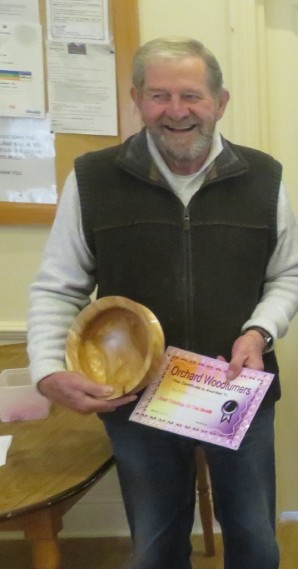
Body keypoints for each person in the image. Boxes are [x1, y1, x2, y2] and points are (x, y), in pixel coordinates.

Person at [27, 37, 298, 569]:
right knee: (154, 545)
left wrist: (259, 332)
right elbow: (58, 287)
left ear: (220, 101)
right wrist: (45, 371)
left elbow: (288, 274)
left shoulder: (266, 178)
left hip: (233, 390)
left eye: (192, 95)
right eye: (159, 95)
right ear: (136, 99)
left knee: (255, 541)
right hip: (136, 396)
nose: (177, 111)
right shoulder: (92, 179)